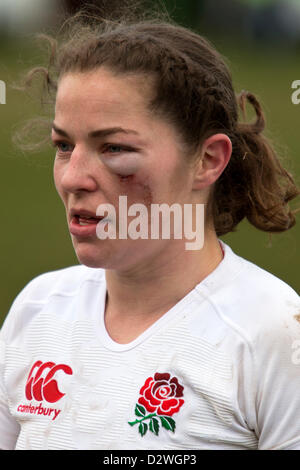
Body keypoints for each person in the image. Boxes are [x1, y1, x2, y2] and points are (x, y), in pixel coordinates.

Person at [0, 7, 300, 450]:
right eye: (64, 145)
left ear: (208, 160)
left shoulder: (272, 334)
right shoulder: (37, 311)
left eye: (115, 147)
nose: (71, 177)